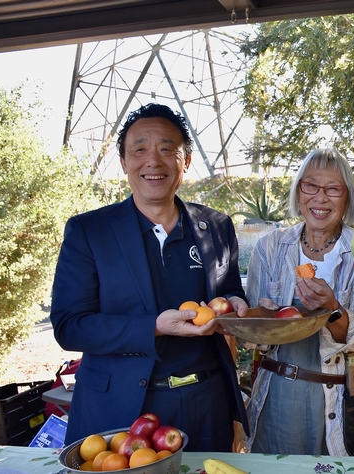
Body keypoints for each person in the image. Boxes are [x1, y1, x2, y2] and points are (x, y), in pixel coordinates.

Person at [50, 103, 249, 451]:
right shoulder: (90, 231)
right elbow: (70, 325)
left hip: (205, 402)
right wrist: (154, 326)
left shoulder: (215, 226)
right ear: (125, 162)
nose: (153, 161)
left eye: (167, 149)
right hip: (120, 409)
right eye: (139, 149)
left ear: (185, 161)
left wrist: (234, 304)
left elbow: (229, 290)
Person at [245, 148, 354, 456]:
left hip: (344, 393)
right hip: (280, 396)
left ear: (347, 198)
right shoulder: (271, 247)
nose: (320, 198)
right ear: (299, 191)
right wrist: (265, 316)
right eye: (311, 186)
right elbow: (250, 332)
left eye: (333, 189)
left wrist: (333, 309)